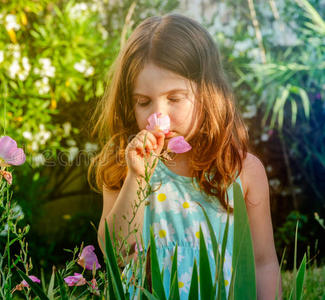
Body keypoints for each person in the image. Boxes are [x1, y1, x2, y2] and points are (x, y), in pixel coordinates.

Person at [87, 12, 282, 299]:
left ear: (208, 93)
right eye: (143, 102)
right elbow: (118, 254)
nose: (158, 115)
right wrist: (136, 178)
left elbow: (263, 262)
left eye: (174, 98)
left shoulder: (241, 170)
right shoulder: (124, 165)